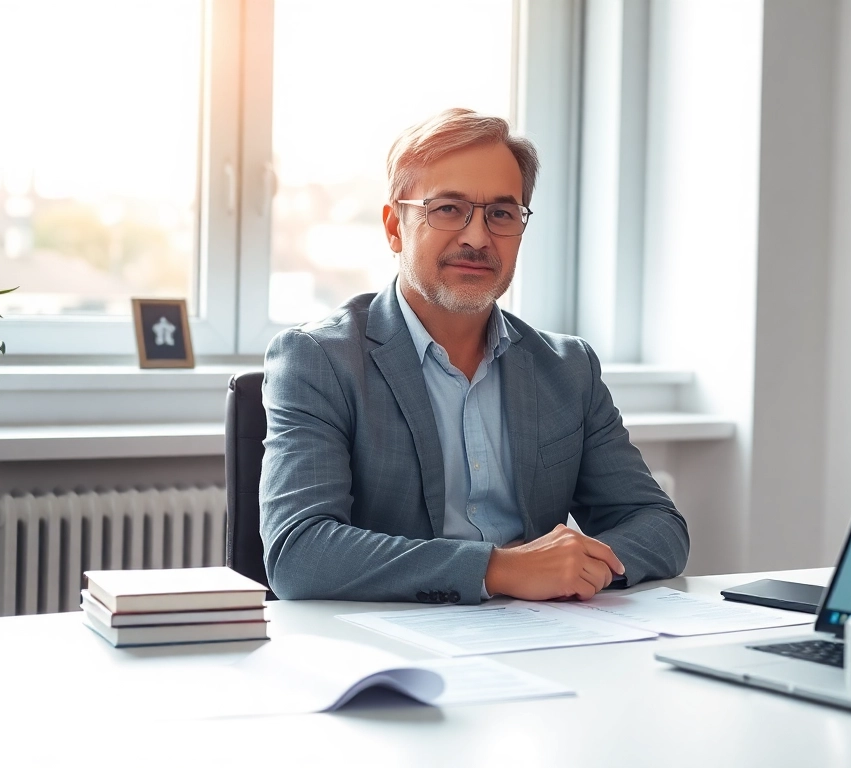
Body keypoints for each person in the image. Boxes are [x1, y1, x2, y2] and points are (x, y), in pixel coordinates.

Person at [259, 108, 689, 605]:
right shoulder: (319, 360)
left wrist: (575, 568)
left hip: (544, 631)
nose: (478, 237)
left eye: (501, 214)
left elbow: (659, 526)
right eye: (448, 208)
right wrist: (498, 569)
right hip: (389, 636)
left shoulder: (568, 369)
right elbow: (300, 553)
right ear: (395, 227)